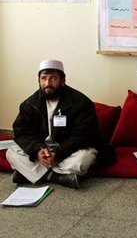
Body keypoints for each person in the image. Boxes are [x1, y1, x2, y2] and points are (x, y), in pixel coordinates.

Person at [6, 60, 101, 189]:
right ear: (38, 81)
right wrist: (37, 152)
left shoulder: (81, 102)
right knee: (11, 152)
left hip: (69, 149)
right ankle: (58, 176)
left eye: (53, 78)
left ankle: (33, 174)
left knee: (84, 158)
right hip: (43, 149)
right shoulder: (29, 104)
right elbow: (22, 132)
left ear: (63, 80)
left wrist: (59, 153)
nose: (47, 84)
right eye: (43, 78)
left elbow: (83, 135)